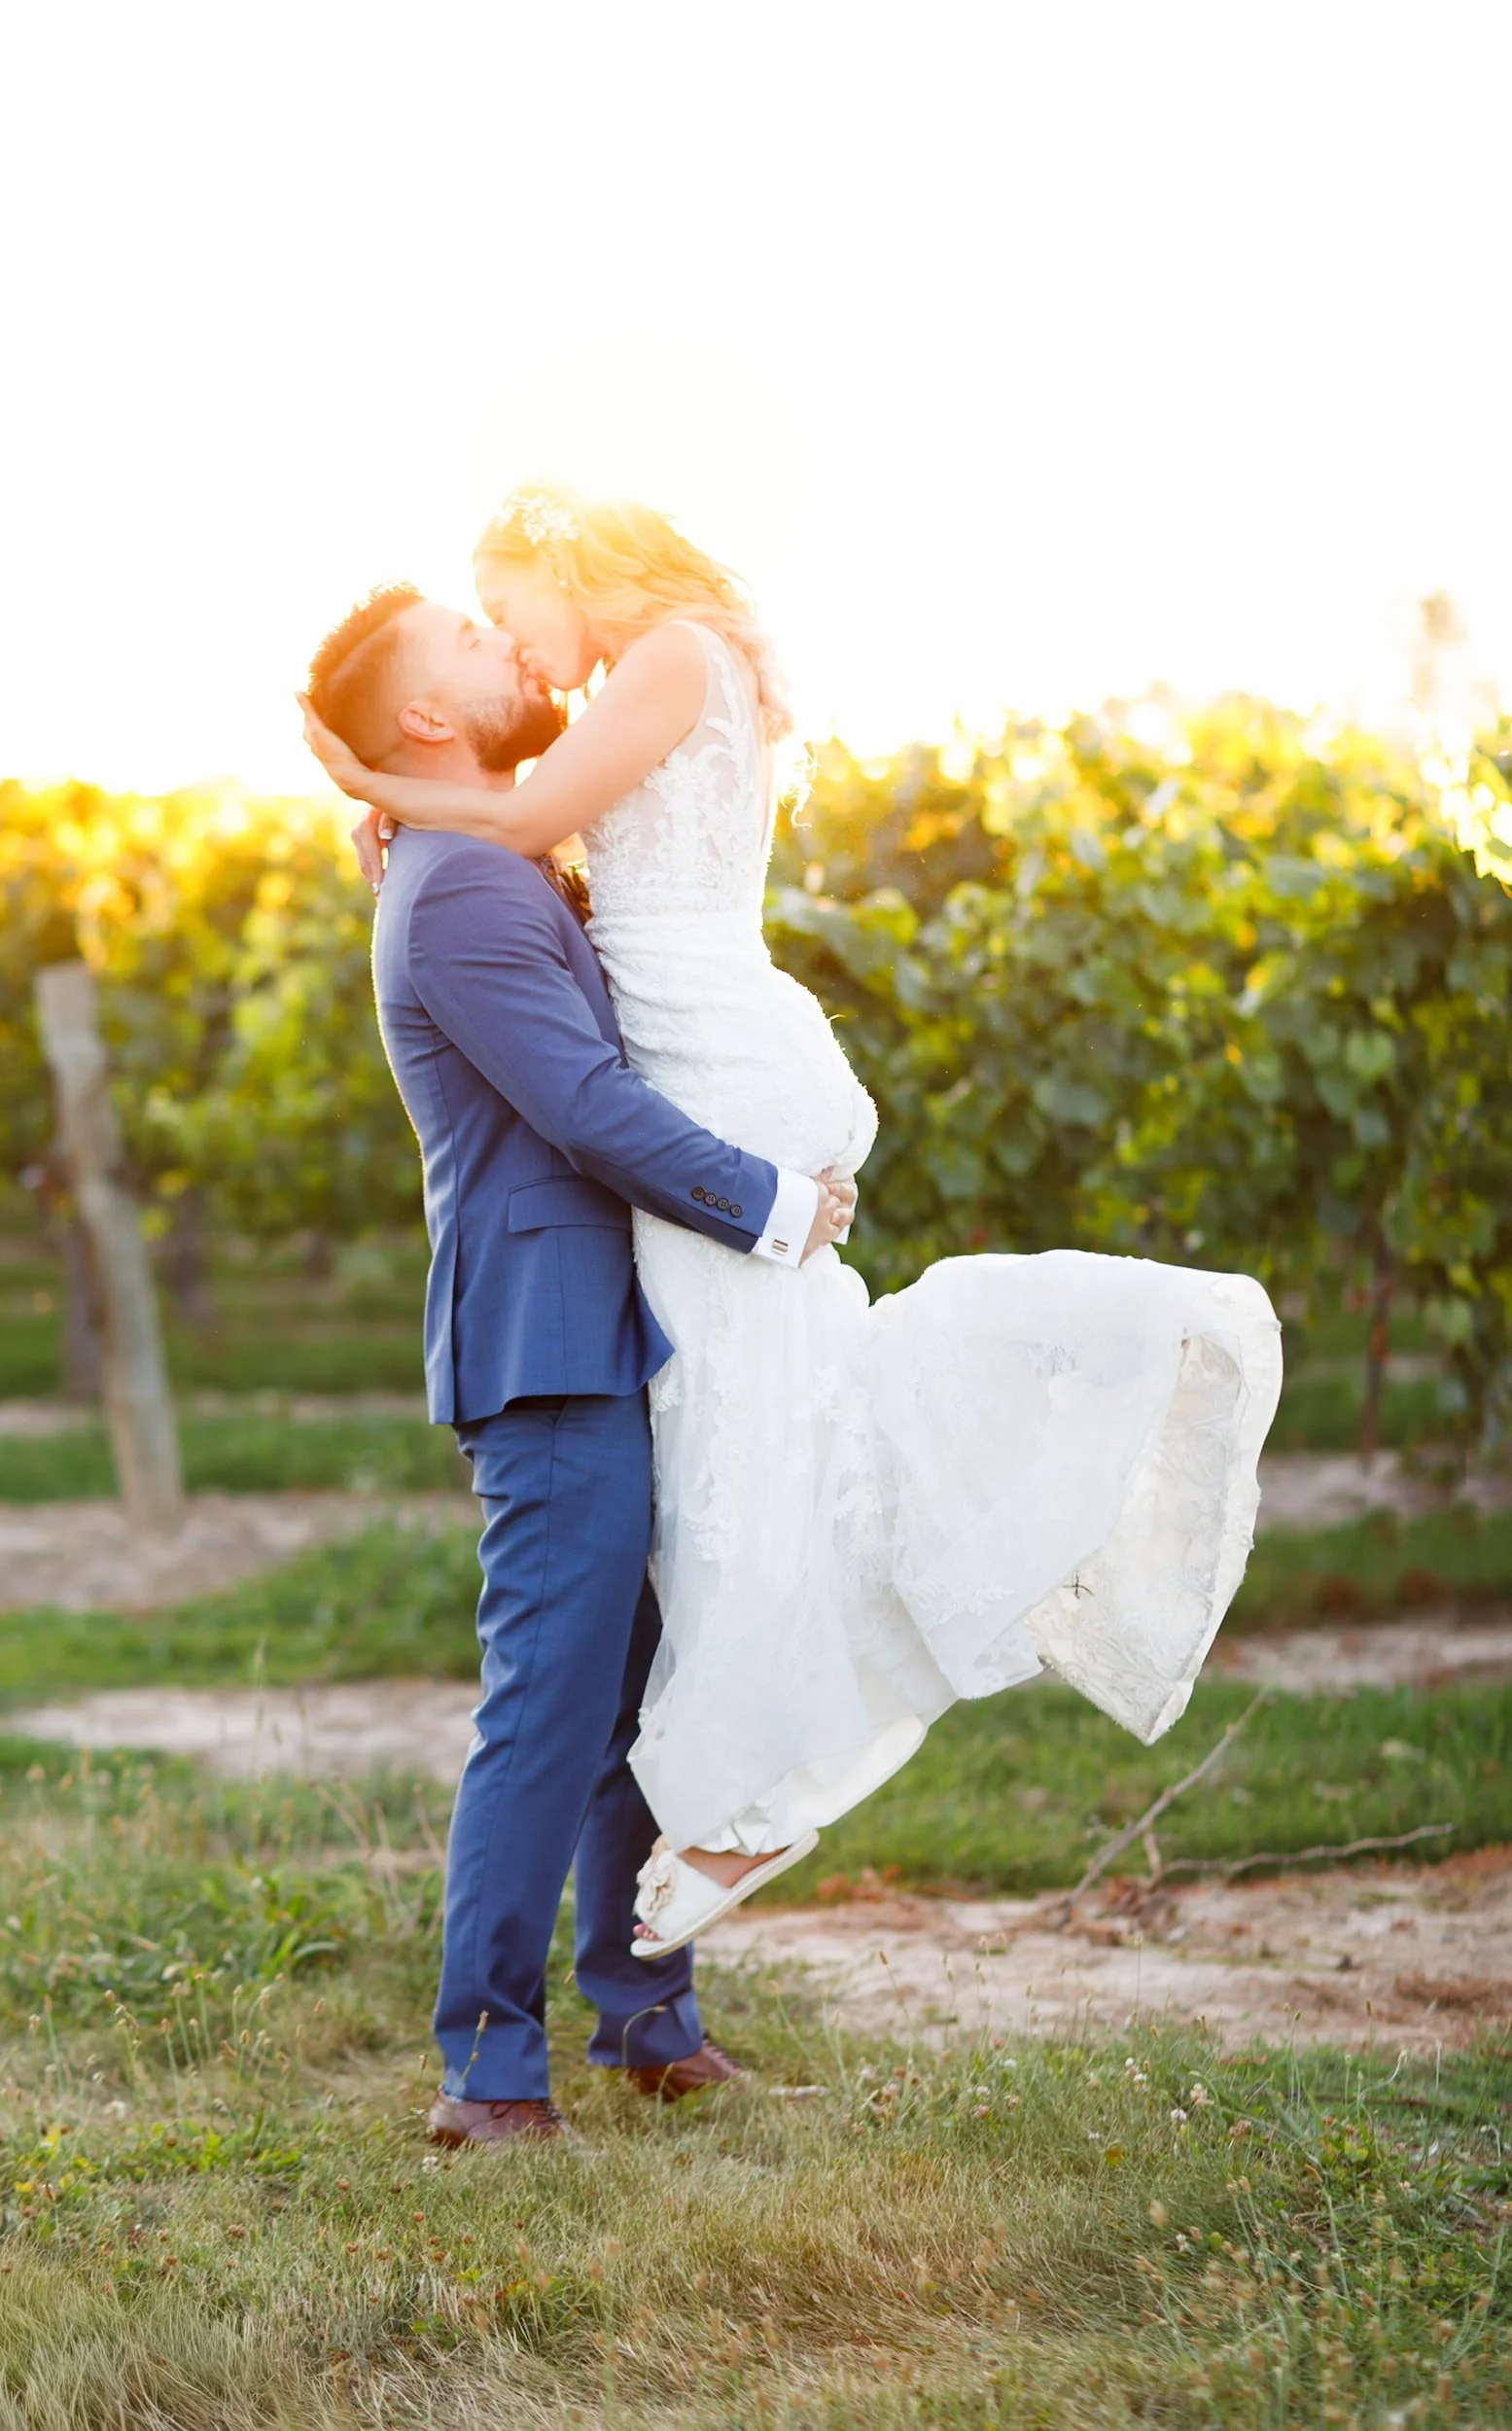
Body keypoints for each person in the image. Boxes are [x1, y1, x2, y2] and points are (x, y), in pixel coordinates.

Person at [301, 483, 1283, 1967]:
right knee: (765, 1443)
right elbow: (528, 907)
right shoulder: (499, 844)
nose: (520, 650)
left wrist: (364, 783)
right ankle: (694, 1860)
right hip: (692, 1103)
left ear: (572, 569)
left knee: (760, 1448)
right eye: (481, 635)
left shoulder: (661, 665)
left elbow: (517, 830)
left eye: (507, 610)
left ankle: (748, 1803)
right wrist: (409, 807)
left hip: (715, 1074)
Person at [306, 586, 855, 2143]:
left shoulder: (471, 861)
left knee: (637, 1693)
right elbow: (584, 1104)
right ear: (425, 721)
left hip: (615, 1326)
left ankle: (644, 2017)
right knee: (549, 1709)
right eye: (474, 648)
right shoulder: (462, 895)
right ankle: (485, 2064)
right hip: (549, 1348)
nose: (511, 651)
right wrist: (771, 1205)